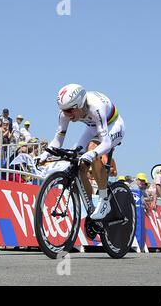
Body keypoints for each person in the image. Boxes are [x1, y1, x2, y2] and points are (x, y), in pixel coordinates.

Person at [38, 83, 125, 220]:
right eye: (64, 111)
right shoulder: (65, 113)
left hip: (112, 125)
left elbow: (106, 142)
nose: (66, 115)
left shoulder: (96, 107)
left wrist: (92, 154)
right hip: (92, 128)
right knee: (75, 159)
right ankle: (90, 207)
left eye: (69, 111)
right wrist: (45, 154)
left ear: (79, 104)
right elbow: (57, 140)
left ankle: (104, 201)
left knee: (92, 149)